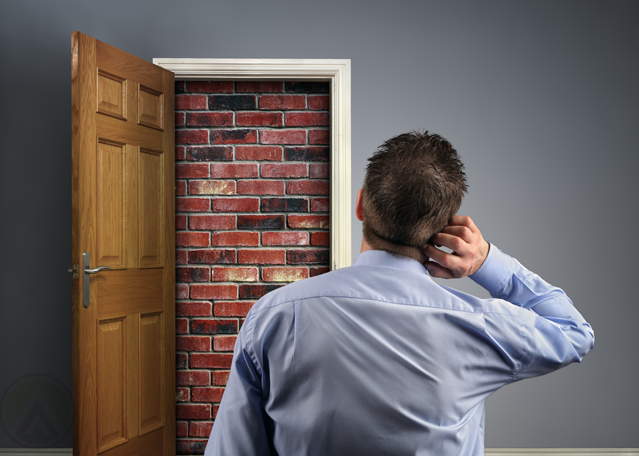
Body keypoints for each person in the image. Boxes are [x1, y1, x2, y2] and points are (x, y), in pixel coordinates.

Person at [204, 131, 594, 456]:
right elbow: (575, 332)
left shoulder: (273, 316)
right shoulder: (484, 325)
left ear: (361, 205)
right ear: (445, 229)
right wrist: (486, 261)